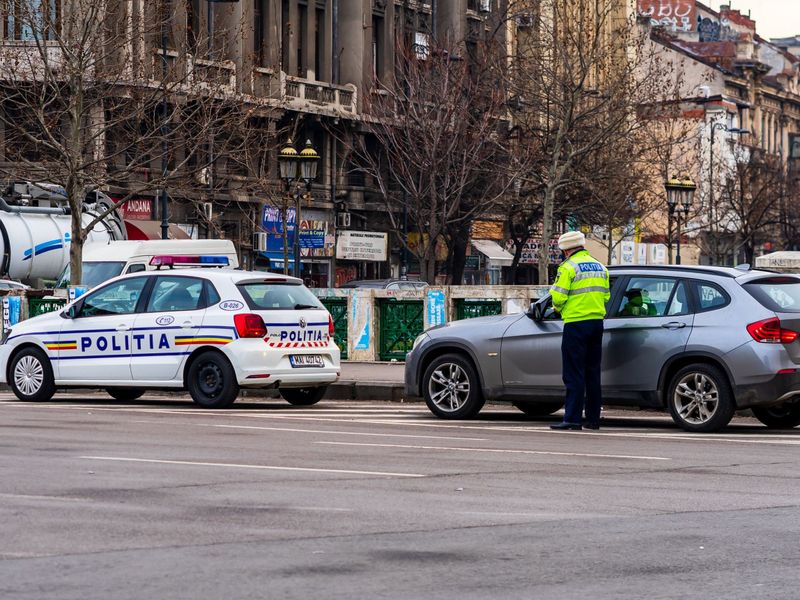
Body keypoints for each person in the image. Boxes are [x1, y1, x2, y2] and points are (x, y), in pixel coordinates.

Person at [549, 231, 610, 431]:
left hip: (575, 323)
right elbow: (606, 296)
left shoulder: (568, 267)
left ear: (566, 250)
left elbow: (557, 297)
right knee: (593, 373)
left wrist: (559, 310)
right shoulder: (601, 267)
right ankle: (593, 419)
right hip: (596, 324)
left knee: (574, 373)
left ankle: (572, 419)